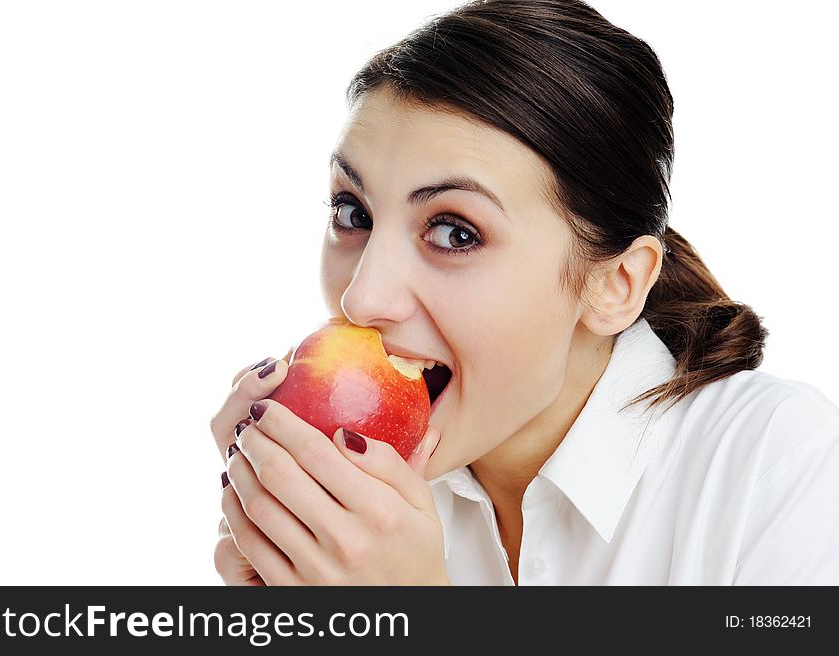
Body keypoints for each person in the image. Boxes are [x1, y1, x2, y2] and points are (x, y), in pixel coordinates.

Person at [209, 0, 839, 585]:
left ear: (615, 284)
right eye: (353, 213)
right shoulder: (355, 511)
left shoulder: (779, 462)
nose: (362, 299)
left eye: (455, 232)